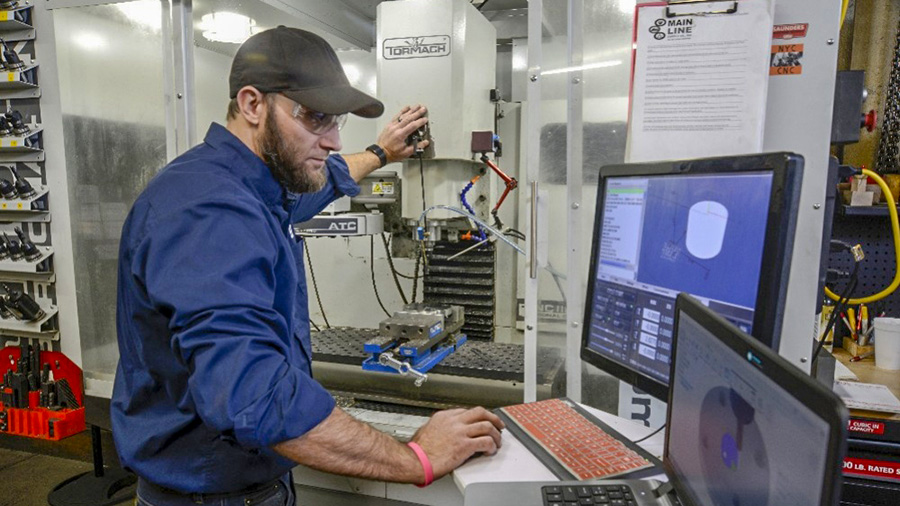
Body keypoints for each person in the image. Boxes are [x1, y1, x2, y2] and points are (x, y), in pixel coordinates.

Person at [111, 26, 505, 506]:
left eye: (336, 120)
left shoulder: (254, 187)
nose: (335, 140)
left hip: (247, 485)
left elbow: (318, 187)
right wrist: (415, 458)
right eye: (317, 118)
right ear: (253, 104)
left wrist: (382, 152)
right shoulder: (209, 211)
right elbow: (255, 397)